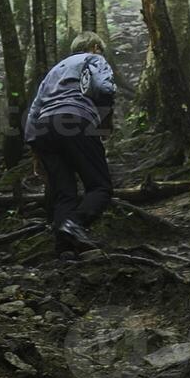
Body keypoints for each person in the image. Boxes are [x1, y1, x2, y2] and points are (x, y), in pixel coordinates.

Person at [26, 31, 116, 256]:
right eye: (101, 49)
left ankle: (64, 249)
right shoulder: (94, 59)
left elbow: (35, 108)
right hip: (76, 121)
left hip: (44, 128)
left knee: (64, 193)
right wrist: (104, 121)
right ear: (95, 47)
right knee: (100, 187)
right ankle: (74, 224)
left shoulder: (54, 70)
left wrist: (34, 148)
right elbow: (105, 89)